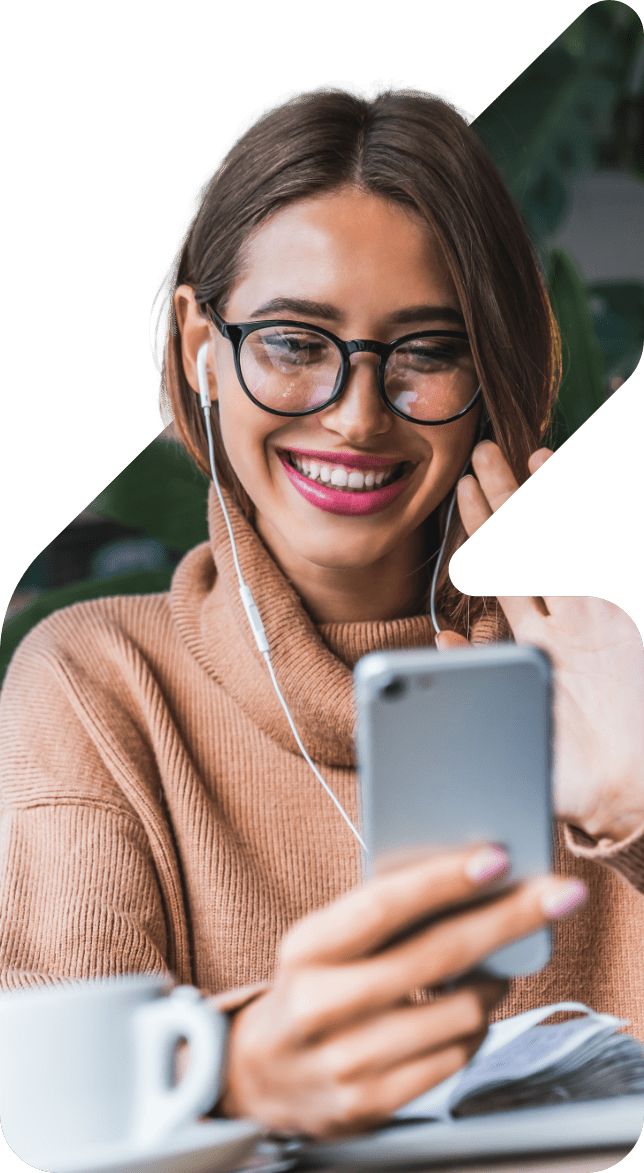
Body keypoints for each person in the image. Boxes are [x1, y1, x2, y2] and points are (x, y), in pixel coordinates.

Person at [1, 89, 643, 1140]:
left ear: (492, 369)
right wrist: (238, 1074)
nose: (353, 414)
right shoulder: (97, 683)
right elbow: (53, 1111)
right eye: (294, 342)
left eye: (427, 351)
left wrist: (634, 808)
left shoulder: (610, 661)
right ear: (201, 344)